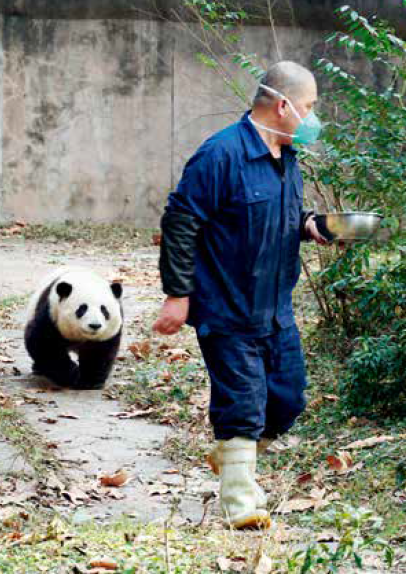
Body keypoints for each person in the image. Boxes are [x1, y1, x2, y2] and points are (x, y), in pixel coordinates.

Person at [153, 61, 328, 529]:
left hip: (275, 310)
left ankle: (232, 457)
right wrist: (178, 294)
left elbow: (282, 216)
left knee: (287, 399)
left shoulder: (287, 158)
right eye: (309, 107)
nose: (313, 118)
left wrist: (310, 224)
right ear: (283, 105)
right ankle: (239, 504)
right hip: (227, 308)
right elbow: (181, 222)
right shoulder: (221, 155)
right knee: (243, 402)